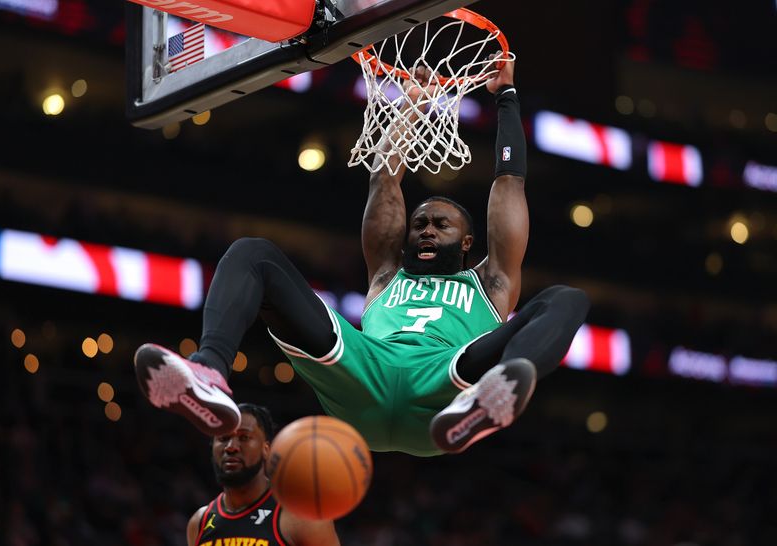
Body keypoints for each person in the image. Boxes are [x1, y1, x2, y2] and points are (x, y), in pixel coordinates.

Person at [134, 54, 589, 456]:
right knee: (253, 253)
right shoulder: (387, 273)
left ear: (468, 242)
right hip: (362, 367)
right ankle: (209, 375)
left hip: (447, 382)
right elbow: (384, 181)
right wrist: (413, 104)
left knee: (567, 299)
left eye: (440, 224)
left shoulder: (492, 282)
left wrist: (506, 95)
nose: (426, 229)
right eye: (420, 223)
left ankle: (497, 393)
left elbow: (509, 181)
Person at [187, 403, 340, 546]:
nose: (231, 447)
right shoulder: (199, 522)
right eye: (223, 438)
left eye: (244, 437)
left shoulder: (300, 515)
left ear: (266, 449)